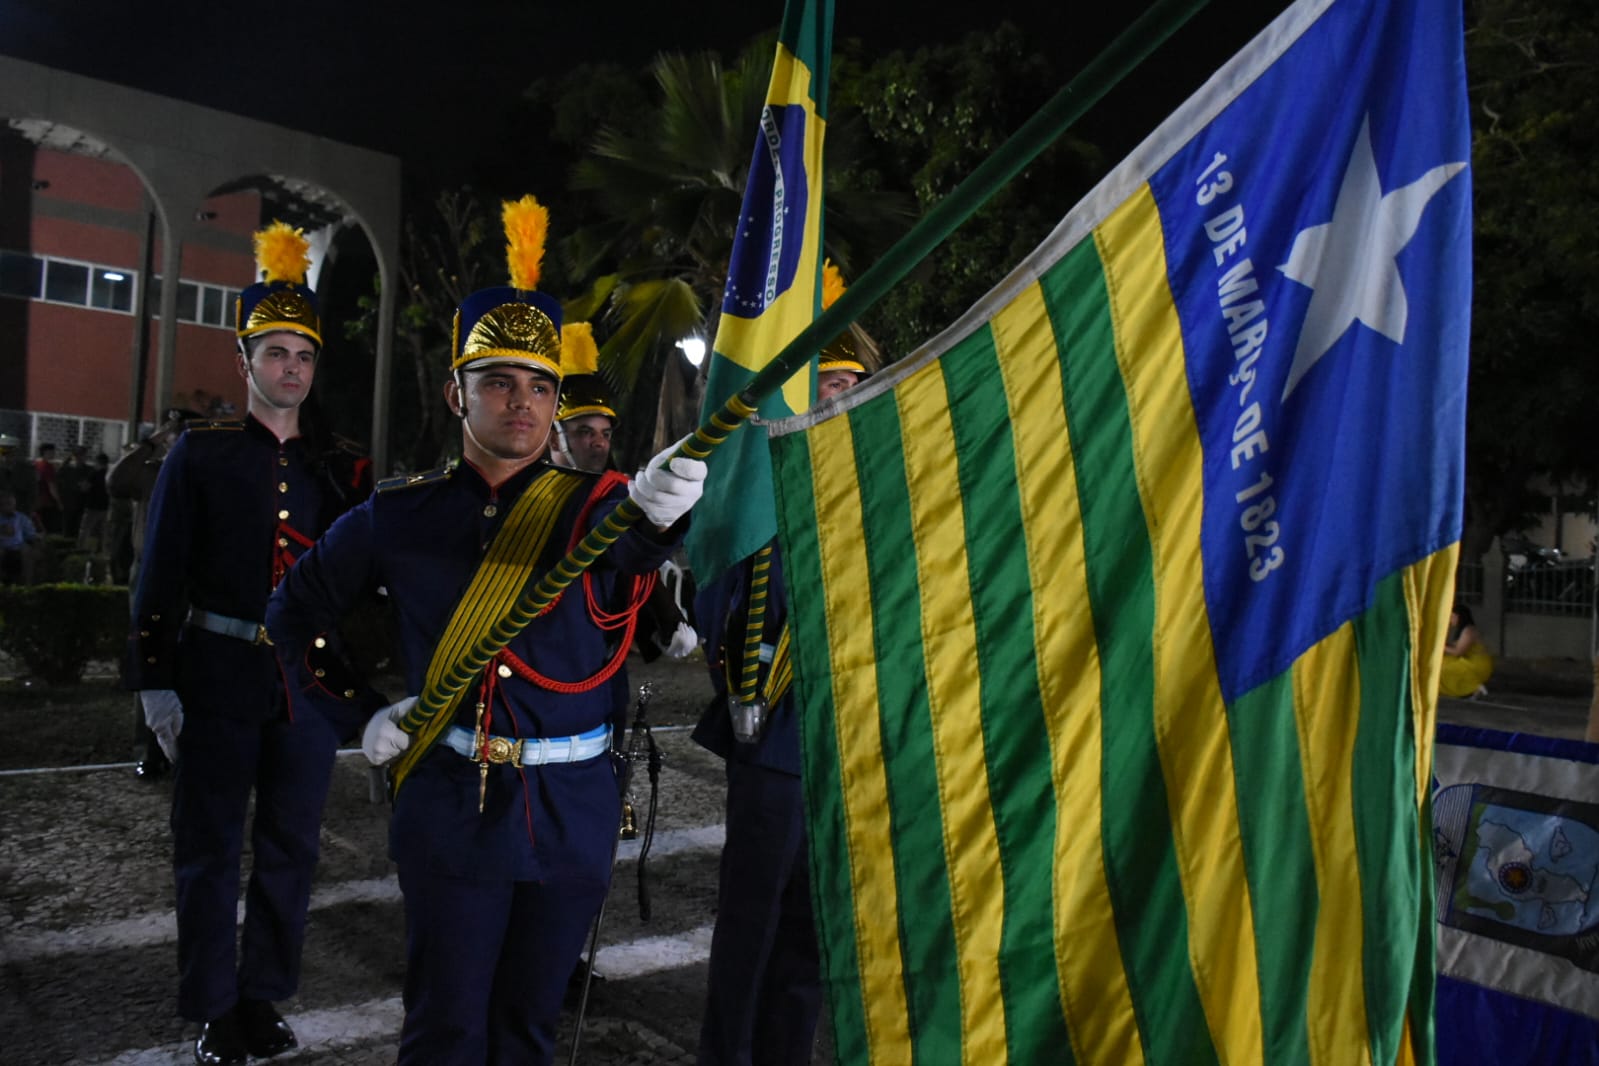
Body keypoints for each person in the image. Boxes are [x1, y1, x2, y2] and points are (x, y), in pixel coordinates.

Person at [265, 194, 708, 1066]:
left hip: (573, 810)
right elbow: (293, 613)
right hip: (453, 803)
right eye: (498, 382)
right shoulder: (401, 515)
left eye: (540, 386)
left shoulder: (597, 508)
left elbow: (638, 547)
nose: (522, 404)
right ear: (455, 391)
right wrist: (359, 710)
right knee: (444, 1029)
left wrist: (664, 513)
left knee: (528, 1030)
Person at [128, 222, 372, 1065]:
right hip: (215, 678)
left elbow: (356, 588)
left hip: (300, 688)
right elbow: (158, 574)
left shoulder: (338, 469)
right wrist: (153, 681)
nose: (291, 369)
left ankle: (264, 995)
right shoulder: (200, 455)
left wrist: (357, 693)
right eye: (274, 353)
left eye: (302, 355)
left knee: (291, 849)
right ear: (244, 362)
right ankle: (210, 1004)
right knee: (206, 851)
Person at [693, 265, 867, 1066]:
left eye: (850, 388)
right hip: (773, 740)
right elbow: (716, 600)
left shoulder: (881, 496)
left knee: (816, 934)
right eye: (824, 385)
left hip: (852, 745)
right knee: (751, 929)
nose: (836, 401)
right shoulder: (764, 495)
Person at [1440, 603, 1494, 699]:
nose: (1450, 620)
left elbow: (1458, 652)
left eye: (1452, 617)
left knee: (1443, 669)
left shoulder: (1468, 631)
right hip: (1468, 661)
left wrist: (1441, 646)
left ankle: (1474, 687)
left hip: (1477, 665)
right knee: (1442, 663)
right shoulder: (1464, 630)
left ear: (1459, 617)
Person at [0, 489, 41, 584]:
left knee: (27, 551)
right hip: (1, 546)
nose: (7, 506)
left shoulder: (21, 518)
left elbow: (31, 534)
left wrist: (36, 540)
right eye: (4, 504)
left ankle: (28, 585)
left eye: (10, 503)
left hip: (18, 546)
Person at [76, 451, 111, 557]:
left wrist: (81, 486)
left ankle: (81, 551)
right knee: (104, 532)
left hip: (92, 507)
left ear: (98, 462)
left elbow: (85, 488)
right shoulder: (109, 474)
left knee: (86, 530)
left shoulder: (94, 474)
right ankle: (103, 553)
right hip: (105, 507)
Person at [33, 441, 61, 534]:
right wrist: (59, 502)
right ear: (46, 453)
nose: (53, 454)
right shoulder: (47, 466)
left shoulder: (36, 464)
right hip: (47, 502)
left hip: (37, 501)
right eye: (52, 452)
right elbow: (51, 487)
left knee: (40, 527)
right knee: (50, 528)